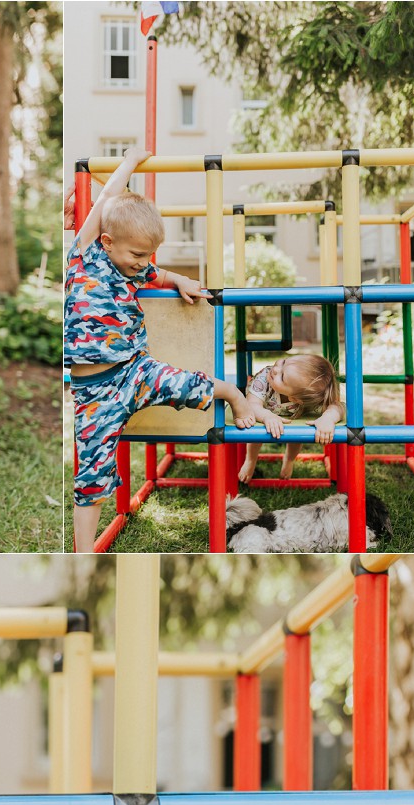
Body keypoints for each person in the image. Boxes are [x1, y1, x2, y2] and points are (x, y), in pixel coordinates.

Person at [65, 144, 251, 552]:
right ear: (108, 241)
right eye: (136, 254)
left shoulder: (136, 266)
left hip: (135, 370)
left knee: (187, 384)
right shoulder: (84, 256)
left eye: (147, 255)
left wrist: (178, 280)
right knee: (91, 474)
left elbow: (155, 270)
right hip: (94, 393)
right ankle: (82, 552)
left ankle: (234, 394)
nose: (142, 262)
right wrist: (129, 162)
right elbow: (106, 198)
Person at [236, 353, 343, 482]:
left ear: (295, 399)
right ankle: (251, 460)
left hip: (293, 417)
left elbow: (339, 407)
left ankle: (289, 460)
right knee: (256, 434)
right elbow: (251, 405)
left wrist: (328, 418)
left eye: (282, 377)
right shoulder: (264, 378)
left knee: (297, 437)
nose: (275, 369)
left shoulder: (307, 399)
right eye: (284, 362)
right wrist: (267, 416)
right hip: (263, 411)